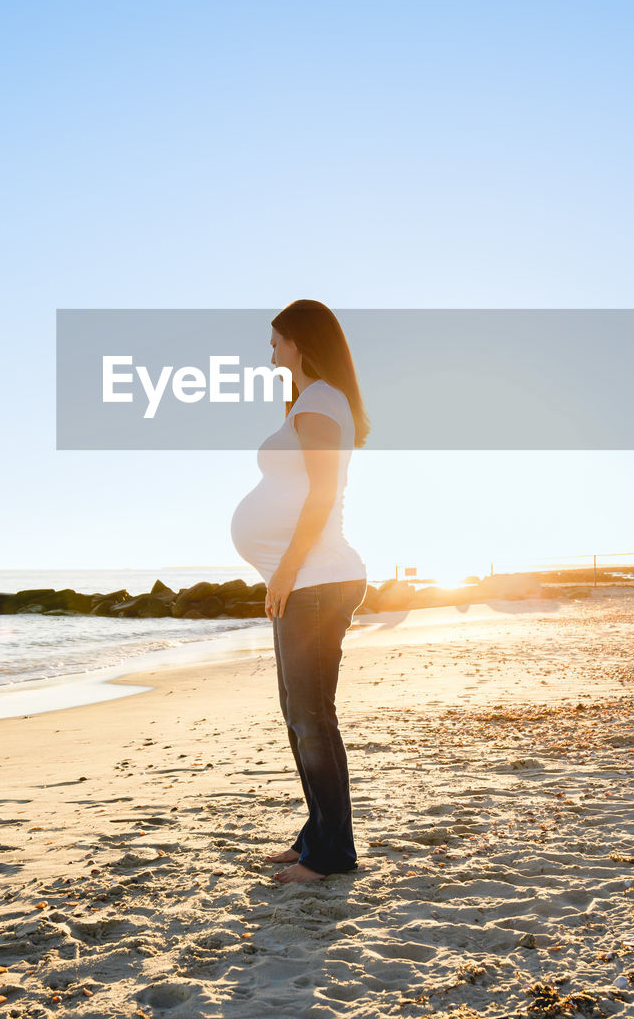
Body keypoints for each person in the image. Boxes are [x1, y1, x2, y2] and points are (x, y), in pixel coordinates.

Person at [230, 299, 370, 883]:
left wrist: (286, 568)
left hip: (315, 580)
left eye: (276, 341)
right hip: (304, 581)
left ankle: (332, 856)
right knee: (300, 715)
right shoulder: (314, 403)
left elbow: (321, 496)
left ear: (300, 342)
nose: (270, 352)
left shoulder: (319, 404)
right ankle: (318, 837)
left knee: (312, 717)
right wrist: (282, 573)